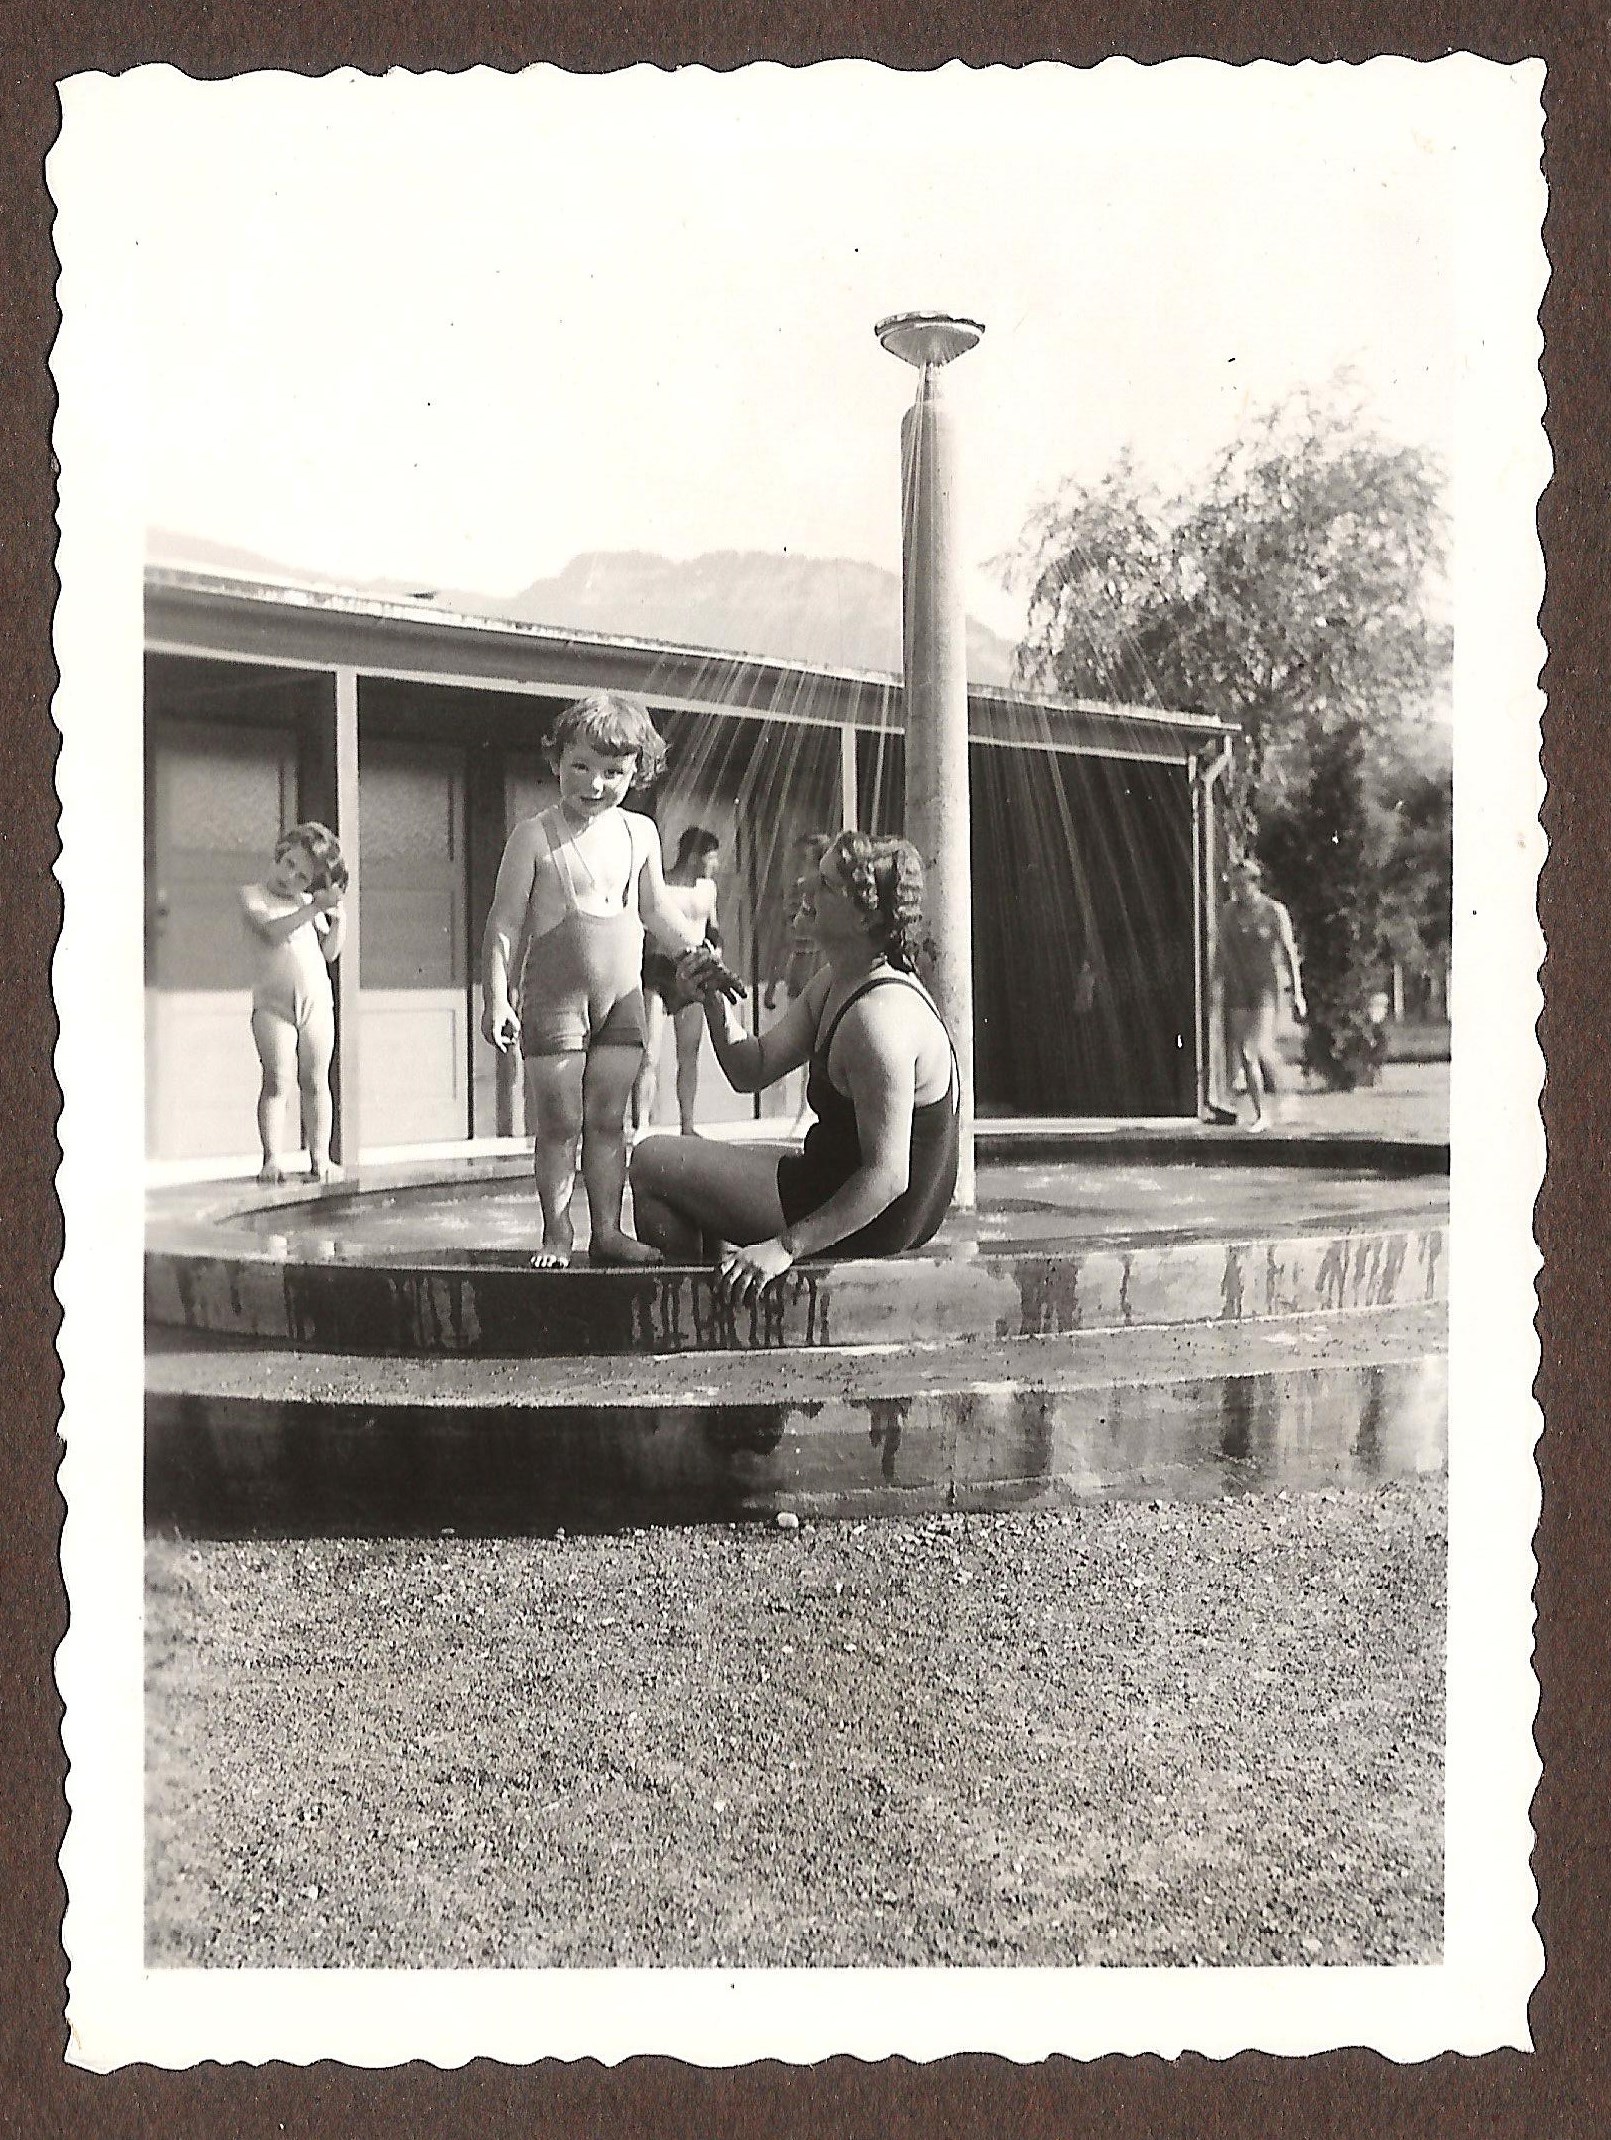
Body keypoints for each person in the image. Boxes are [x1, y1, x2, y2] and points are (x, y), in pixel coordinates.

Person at [631, 830, 960, 1299]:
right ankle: (718, 1299)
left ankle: (701, 1313)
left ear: (866, 917)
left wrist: (785, 1246)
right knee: (681, 1172)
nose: (804, 885)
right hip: (839, 1184)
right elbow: (752, 1068)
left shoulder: (877, 1021)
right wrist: (713, 1001)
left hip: (873, 1218)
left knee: (650, 1163)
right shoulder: (838, 981)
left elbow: (888, 1177)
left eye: (825, 885)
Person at [480, 692, 742, 1268]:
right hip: (556, 1002)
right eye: (581, 766)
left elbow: (656, 911)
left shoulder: (639, 833)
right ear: (557, 759)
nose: (594, 784)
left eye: (613, 772)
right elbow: (503, 926)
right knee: (559, 1124)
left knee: (607, 1122)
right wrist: (496, 998)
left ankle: (607, 1231)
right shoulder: (534, 836)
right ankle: (556, 1232)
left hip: (620, 1002)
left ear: (636, 772)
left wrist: (699, 955)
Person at [240, 821, 348, 1184]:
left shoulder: (306, 903)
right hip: (274, 1007)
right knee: (276, 1080)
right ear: (279, 854)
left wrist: (339, 920)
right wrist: (315, 907)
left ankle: (320, 1158)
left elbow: (329, 953)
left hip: (315, 1004)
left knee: (317, 1081)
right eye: (289, 864)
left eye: (302, 877)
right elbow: (272, 933)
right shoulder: (254, 896)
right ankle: (272, 1158)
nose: (291, 877)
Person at [632, 825, 723, 1140]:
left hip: (693, 971)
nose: (715, 865)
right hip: (659, 971)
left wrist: (716, 952)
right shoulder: (662, 886)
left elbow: (713, 929)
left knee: (689, 1053)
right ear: (695, 856)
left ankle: (687, 1124)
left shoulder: (708, 889)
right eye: (712, 858)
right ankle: (642, 1125)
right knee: (649, 1053)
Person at [1214, 856, 1306, 1131]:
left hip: (1266, 988)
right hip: (1238, 989)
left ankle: (1266, 1110)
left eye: (1242, 884)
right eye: (1234, 885)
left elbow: (1289, 952)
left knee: (1251, 1050)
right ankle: (1269, 1104)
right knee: (1248, 1054)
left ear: (1255, 883)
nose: (1238, 890)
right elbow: (1222, 952)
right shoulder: (1228, 913)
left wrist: (1297, 993)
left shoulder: (1273, 911)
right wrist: (1217, 987)